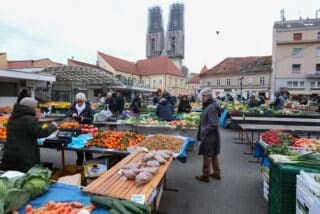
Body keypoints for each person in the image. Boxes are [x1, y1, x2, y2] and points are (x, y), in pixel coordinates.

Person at [1, 97, 57, 172]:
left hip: (10, 154)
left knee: (12, 177)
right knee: (23, 178)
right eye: (36, 107)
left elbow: (25, 131)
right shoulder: (29, 119)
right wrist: (53, 126)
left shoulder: (12, 118)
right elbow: (41, 132)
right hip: (24, 157)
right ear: (31, 107)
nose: (37, 108)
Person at [196, 89, 221, 183]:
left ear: (209, 96)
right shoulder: (210, 106)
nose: (202, 98)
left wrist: (204, 132)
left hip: (209, 135)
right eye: (202, 96)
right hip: (212, 134)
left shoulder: (211, 107)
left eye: (204, 96)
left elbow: (213, 123)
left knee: (207, 154)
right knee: (214, 154)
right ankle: (217, 173)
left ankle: (205, 175)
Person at [66, 93, 93, 165]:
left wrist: (84, 118)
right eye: (78, 101)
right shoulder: (73, 105)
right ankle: (79, 167)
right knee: (79, 149)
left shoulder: (88, 107)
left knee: (88, 150)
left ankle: (90, 166)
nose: (79, 103)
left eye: (81, 101)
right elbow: (67, 114)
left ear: (84, 100)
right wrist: (72, 114)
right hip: (77, 129)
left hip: (86, 130)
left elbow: (91, 119)